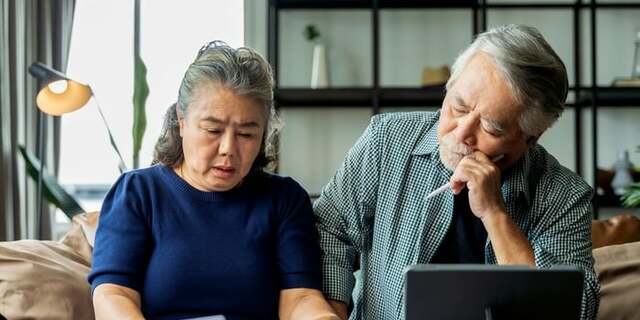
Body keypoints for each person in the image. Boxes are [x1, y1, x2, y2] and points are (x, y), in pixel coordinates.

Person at [314, 25, 599, 320]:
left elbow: (576, 311)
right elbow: (330, 229)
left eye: (491, 127)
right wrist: (333, 311)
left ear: (529, 138)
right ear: (449, 85)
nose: (462, 133)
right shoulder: (386, 140)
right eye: (458, 107)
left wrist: (494, 213)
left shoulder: (565, 195)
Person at [89, 41, 339, 320]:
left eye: (246, 134)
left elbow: (301, 297)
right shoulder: (138, 193)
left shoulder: (284, 199)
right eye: (213, 130)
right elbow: (113, 294)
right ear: (181, 122)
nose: (228, 149)